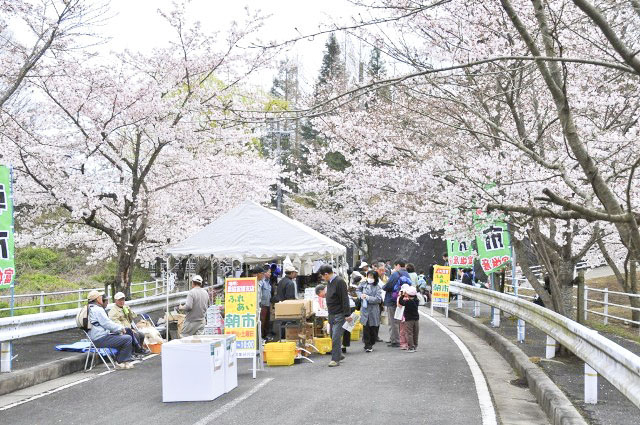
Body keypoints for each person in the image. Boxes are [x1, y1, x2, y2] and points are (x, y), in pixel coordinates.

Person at [86, 290, 135, 369]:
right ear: (97, 299)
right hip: (101, 338)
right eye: (100, 297)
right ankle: (120, 362)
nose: (101, 299)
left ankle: (123, 360)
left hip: (93, 339)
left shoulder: (89, 309)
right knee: (127, 338)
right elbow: (107, 323)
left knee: (120, 337)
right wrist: (120, 328)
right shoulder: (98, 309)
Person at [319, 264, 352, 367]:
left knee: (336, 336)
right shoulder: (330, 282)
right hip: (332, 313)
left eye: (322, 276)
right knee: (332, 335)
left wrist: (347, 314)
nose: (322, 278)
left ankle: (335, 359)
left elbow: (344, 298)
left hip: (339, 314)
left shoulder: (339, 281)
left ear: (326, 274)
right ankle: (339, 354)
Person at [108, 292, 150, 356]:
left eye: (123, 300)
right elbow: (116, 324)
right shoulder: (113, 312)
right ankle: (133, 352)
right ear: (115, 301)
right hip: (121, 330)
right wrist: (128, 329)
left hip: (129, 328)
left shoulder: (125, 308)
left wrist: (129, 311)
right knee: (135, 335)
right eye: (119, 300)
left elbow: (132, 318)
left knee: (141, 334)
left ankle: (137, 351)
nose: (122, 301)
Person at [382, 259, 410, 347]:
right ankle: (400, 339)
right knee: (400, 320)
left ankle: (395, 340)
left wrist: (383, 286)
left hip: (392, 299)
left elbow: (387, 286)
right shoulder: (407, 274)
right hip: (403, 299)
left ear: (397, 265)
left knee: (393, 321)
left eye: (395, 266)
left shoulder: (395, 274)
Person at [357, 270, 383, 352]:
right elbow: (358, 290)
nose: (370, 278)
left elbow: (378, 299)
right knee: (366, 327)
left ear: (375, 278)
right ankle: (367, 345)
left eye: (372, 276)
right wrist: (360, 296)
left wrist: (368, 298)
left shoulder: (377, 287)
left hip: (373, 309)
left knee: (373, 327)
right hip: (365, 309)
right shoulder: (363, 284)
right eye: (369, 276)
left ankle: (371, 342)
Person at [398, 286, 419, 352]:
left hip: (409, 319)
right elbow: (414, 296)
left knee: (409, 333)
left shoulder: (407, 302)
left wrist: (402, 295)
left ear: (408, 294)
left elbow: (400, 302)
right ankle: (415, 346)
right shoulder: (416, 300)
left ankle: (411, 347)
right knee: (415, 333)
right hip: (416, 319)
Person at [255, 266, 272, 340]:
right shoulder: (261, 282)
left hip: (267, 304)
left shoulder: (267, 282)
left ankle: (264, 336)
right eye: (269, 272)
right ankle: (261, 337)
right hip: (262, 305)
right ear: (264, 273)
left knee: (266, 322)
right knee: (262, 321)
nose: (270, 274)